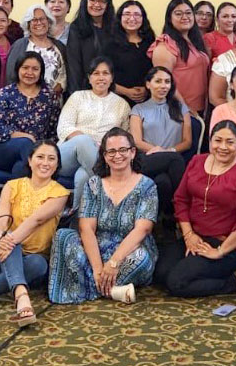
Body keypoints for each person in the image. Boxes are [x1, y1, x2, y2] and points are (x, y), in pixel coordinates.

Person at [49, 129, 158, 304]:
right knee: (63, 237)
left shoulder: (147, 185)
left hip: (129, 249)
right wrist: (98, 268)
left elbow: (142, 230)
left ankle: (86, 286)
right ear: (105, 156)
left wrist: (113, 263)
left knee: (140, 259)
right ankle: (113, 290)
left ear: (132, 152)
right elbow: (86, 228)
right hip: (96, 249)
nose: (117, 156)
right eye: (111, 151)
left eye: (123, 150)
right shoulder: (93, 184)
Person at [155, 121, 236, 297]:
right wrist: (189, 235)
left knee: (177, 282)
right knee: (160, 274)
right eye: (218, 140)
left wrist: (219, 252)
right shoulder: (197, 161)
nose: (223, 147)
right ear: (210, 142)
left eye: (230, 142)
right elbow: (180, 200)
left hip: (226, 243)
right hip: (195, 237)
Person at [0, 140, 70, 325]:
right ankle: (22, 296)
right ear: (30, 161)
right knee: (13, 243)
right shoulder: (12, 185)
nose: (45, 163)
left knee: (38, 265)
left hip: (34, 256)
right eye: (40, 157)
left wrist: (9, 241)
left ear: (57, 165)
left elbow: (36, 221)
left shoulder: (60, 193)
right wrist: (1, 239)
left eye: (51, 159)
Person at [57, 57, 131, 207]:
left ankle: (77, 220)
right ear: (89, 78)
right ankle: (114, 191)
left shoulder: (122, 105)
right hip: (68, 155)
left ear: (112, 79)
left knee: (84, 176)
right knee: (83, 141)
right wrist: (91, 144)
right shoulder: (77, 97)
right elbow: (64, 127)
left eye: (105, 73)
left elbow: (125, 137)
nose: (101, 77)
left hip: (100, 157)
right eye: (96, 73)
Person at [130, 67, 192, 225]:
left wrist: (168, 152)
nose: (163, 85)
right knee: (175, 161)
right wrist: (155, 150)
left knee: (163, 182)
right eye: (158, 81)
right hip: (147, 159)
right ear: (148, 84)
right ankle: (184, 214)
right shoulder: (138, 109)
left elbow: (187, 141)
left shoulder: (181, 108)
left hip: (172, 161)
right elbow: (136, 141)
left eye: (167, 82)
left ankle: (157, 223)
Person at [149, 0, 211, 114]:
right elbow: (164, 83)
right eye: (178, 14)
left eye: (188, 13)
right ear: (169, 18)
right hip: (178, 110)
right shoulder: (165, 45)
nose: (185, 17)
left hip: (200, 108)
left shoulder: (196, 41)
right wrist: (185, 108)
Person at [5, 4, 69, 96]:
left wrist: (58, 87)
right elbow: (11, 75)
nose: (39, 23)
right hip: (24, 100)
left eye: (42, 19)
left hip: (54, 101)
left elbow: (65, 74)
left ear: (49, 22)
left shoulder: (59, 46)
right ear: (28, 24)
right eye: (34, 20)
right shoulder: (19, 45)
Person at [101, 0, 155, 105]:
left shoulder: (150, 41)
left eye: (137, 15)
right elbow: (102, 75)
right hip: (117, 100)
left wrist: (147, 88)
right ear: (120, 18)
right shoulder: (109, 44)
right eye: (127, 14)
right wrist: (126, 91)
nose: (132, 18)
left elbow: (156, 71)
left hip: (148, 100)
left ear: (143, 18)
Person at [66, 0, 115, 93]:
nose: (97, 4)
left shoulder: (114, 27)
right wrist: (77, 95)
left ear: (108, 5)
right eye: (93, 0)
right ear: (86, 2)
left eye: (102, 1)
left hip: (112, 90)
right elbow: (74, 65)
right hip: (85, 90)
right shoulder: (77, 28)